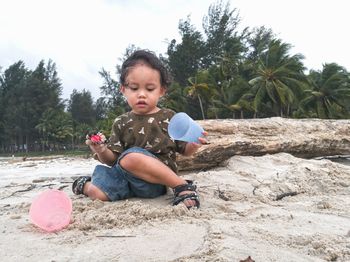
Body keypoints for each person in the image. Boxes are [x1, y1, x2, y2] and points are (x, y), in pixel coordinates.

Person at [72, 49, 207, 208]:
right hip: (125, 180)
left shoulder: (169, 117)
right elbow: (112, 160)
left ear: (161, 91)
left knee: (130, 158)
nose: (141, 94)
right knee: (97, 193)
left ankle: (182, 185)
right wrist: (101, 150)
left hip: (156, 182)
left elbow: (184, 150)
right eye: (134, 88)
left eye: (149, 89)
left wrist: (193, 144)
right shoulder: (121, 121)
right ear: (123, 89)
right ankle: (86, 185)